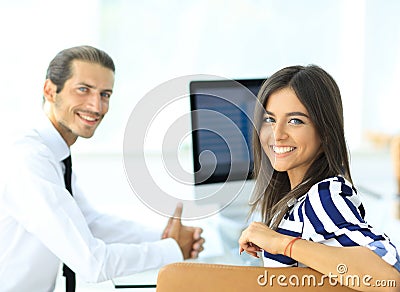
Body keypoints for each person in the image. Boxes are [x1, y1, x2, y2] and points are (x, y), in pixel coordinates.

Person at [0, 45, 204, 292]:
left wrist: (162, 235)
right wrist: (172, 249)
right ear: (50, 91)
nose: (97, 107)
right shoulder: (28, 158)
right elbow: (92, 263)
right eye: (83, 90)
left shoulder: (53, 153)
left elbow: (90, 223)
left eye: (105, 94)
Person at [238, 65, 400, 291]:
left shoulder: (323, 197)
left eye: (295, 121)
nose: (277, 134)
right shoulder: (295, 199)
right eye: (270, 119)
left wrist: (281, 243)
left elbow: (388, 278)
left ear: (325, 132)